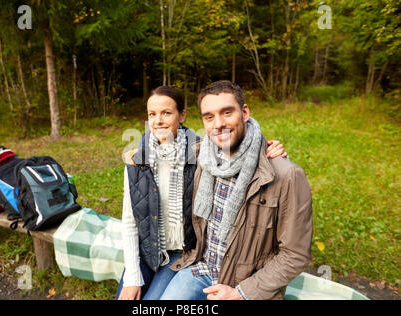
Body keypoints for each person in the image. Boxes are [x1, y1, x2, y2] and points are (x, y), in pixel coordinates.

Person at [116, 85, 287, 300]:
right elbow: (129, 222)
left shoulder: (202, 155)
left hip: (181, 253)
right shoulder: (135, 162)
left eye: (166, 113)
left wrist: (268, 148)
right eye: (152, 114)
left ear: (182, 115)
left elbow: (240, 146)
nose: (158, 121)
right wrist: (132, 278)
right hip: (147, 250)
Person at [159, 80, 313, 300]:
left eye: (227, 112)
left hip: (246, 284)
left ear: (245, 112)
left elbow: (295, 254)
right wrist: (135, 156)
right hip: (201, 269)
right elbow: (162, 149)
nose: (219, 123)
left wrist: (240, 293)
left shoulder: (285, 175)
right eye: (209, 117)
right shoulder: (202, 156)